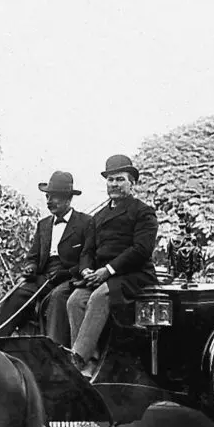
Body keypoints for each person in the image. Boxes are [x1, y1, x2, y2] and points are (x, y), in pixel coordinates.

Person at [67, 154, 158, 376]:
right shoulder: (98, 217)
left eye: (120, 179)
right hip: (100, 274)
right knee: (75, 300)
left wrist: (107, 270)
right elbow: (87, 251)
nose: (114, 184)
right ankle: (90, 364)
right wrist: (86, 270)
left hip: (133, 274)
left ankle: (78, 358)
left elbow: (141, 250)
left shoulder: (142, 212)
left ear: (132, 183)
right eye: (111, 180)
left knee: (100, 297)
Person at [0, 170, 94, 345]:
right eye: (47, 197)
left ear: (68, 199)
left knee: (57, 298)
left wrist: (67, 273)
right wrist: (31, 268)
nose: (49, 201)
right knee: (17, 294)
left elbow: (88, 257)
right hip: (43, 277)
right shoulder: (43, 225)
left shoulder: (86, 222)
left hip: (70, 277)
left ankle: (54, 352)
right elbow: (32, 257)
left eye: (54, 197)